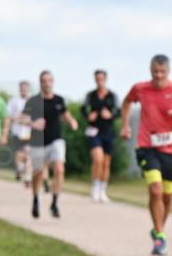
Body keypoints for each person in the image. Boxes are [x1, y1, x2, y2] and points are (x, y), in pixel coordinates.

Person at [120, 55, 172, 256]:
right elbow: (127, 102)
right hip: (147, 146)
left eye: (162, 72)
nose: (158, 75)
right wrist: (125, 126)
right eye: (155, 71)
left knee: (167, 196)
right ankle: (161, 236)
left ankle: (157, 230)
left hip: (171, 150)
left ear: (168, 71)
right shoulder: (140, 88)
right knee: (155, 190)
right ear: (150, 69)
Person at [23, 70, 78, 218]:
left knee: (59, 169)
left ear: (52, 82)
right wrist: (32, 123)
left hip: (56, 140)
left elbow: (65, 114)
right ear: (40, 83)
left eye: (49, 80)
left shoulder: (59, 100)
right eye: (44, 81)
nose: (47, 83)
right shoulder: (33, 101)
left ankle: (54, 203)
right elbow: (22, 118)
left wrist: (72, 121)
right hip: (38, 142)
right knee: (38, 173)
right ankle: (35, 199)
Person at [82, 69, 121, 203]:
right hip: (94, 131)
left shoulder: (112, 96)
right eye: (97, 79)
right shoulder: (90, 95)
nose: (99, 81)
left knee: (106, 163)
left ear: (105, 79)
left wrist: (111, 115)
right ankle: (95, 187)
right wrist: (88, 116)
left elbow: (119, 112)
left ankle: (103, 190)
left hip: (108, 131)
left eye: (101, 79)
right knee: (97, 159)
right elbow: (83, 109)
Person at [7, 80, 33, 185]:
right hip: (17, 132)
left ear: (28, 89)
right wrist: (18, 119)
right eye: (22, 88)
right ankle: (19, 169)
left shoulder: (33, 101)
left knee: (28, 154)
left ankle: (27, 178)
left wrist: (30, 122)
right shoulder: (13, 101)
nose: (24, 90)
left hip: (29, 133)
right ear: (19, 89)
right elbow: (8, 115)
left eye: (26, 88)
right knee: (18, 155)